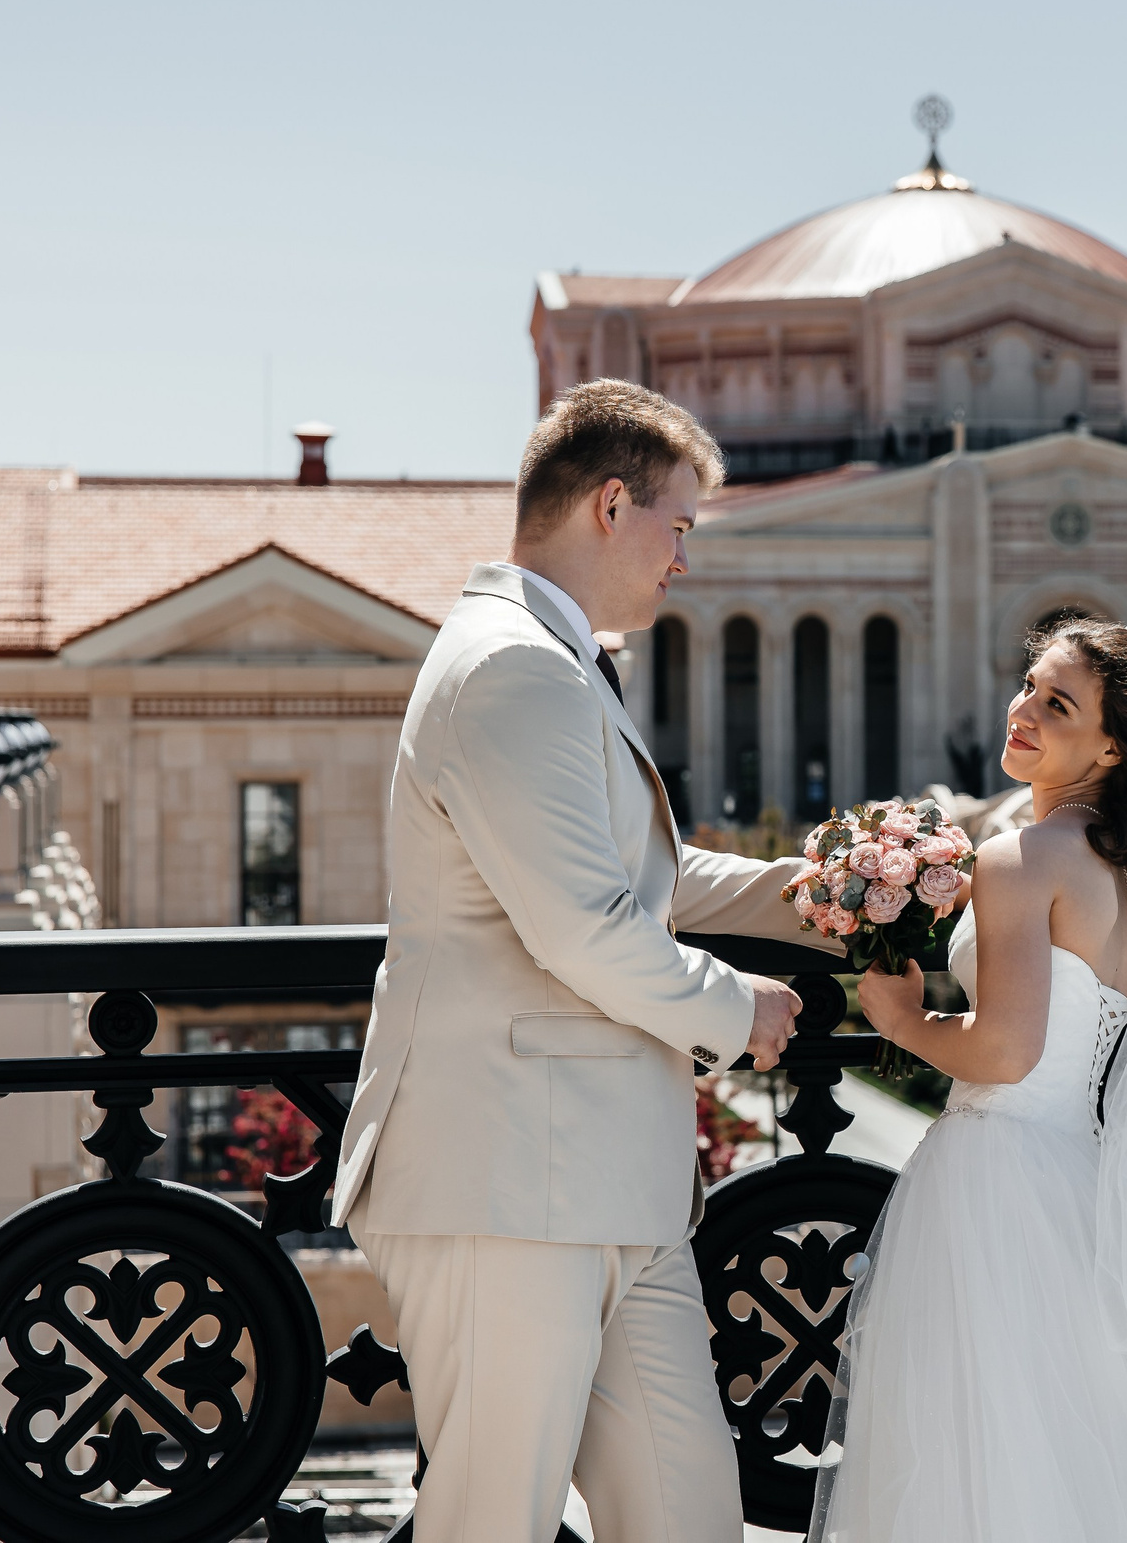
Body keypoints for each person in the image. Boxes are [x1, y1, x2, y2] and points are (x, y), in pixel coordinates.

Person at [329, 381, 815, 1543]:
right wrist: (735, 1003)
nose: (684, 557)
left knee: (692, 1518)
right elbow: (585, 925)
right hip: (507, 1185)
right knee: (489, 1524)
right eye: (679, 525)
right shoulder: (511, 666)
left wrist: (820, 899)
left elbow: (639, 874)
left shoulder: (553, 658)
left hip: (610, 1188)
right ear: (611, 505)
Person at [816, 618, 1127, 1541]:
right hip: (1077, 1179)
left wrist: (902, 1018)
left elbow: (1007, 1051)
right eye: (1028, 684)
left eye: (1058, 703)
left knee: (984, 1458)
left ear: (1111, 744)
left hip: (997, 1175)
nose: (1023, 711)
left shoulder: (1023, 856)